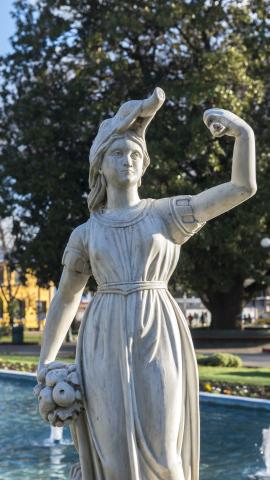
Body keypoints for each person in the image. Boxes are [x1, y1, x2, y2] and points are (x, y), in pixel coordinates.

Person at [37, 87, 256, 480]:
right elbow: (66, 297)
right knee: (115, 462)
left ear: (145, 164)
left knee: (166, 458)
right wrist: (45, 362)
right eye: (118, 153)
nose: (129, 160)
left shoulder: (167, 214)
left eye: (136, 154)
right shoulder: (86, 234)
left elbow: (241, 189)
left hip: (158, 330)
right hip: (103, 336)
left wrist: (243, 134)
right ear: (100, 165)